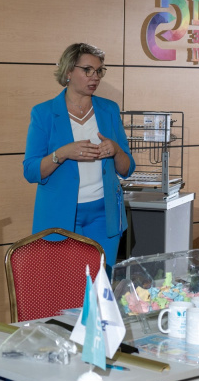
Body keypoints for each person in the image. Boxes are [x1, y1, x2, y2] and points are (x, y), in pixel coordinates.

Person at [23, 42, 134, 268]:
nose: (95, 77)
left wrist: (115, 150)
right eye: (87, 70)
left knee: (100, 283)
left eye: (99, 71)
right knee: (65, 284)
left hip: (105, 216)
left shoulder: (109, 109)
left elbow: (127, 168)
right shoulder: (43, 113)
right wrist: (62, 153)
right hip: (60, 215)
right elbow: (31, 171)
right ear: (68, 72)